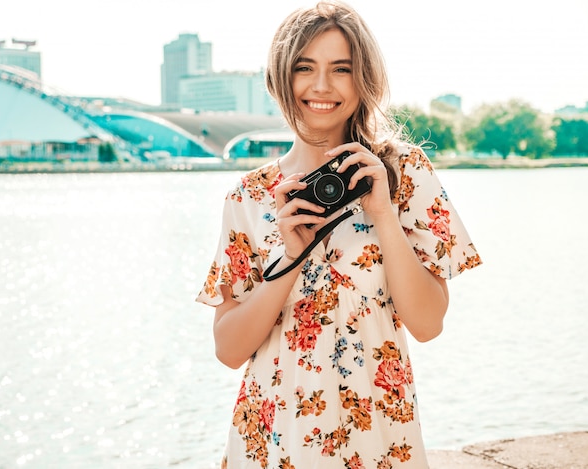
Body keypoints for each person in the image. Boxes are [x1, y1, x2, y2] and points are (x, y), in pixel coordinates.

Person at [196, 1, 482, 467]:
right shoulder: (248, 196)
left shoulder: (403, 172)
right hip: (272, 439)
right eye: (304, 67)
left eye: (342, 69)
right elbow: (228, 351)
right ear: (278, 79)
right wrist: (291, 258)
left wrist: (384, 214)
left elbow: (428, 326)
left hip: (379, 439)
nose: (322, 86)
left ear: (364, 78)